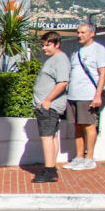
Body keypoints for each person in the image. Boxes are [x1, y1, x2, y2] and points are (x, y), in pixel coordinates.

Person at [64, 21, 105, 171]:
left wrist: (97, 95)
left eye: (83, 32)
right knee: (77, 126)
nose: (80, 35)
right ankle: (79, 157)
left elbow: (103, 74)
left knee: (89, 125)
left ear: (92, 33)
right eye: (78, 32)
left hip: (88, 94)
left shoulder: (99, 50)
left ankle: (89, 158)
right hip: (74, 94)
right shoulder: (76, 52)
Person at [31, 31, 70, 184]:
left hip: (49, 106)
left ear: (57, 44)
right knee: (52, 136)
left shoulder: (60, 60)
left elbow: (63, 82)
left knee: (47, 137)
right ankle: (51, 168)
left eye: (48, 45)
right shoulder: (55, 59)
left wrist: (47, 100)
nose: (44, 48)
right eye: (42, 45)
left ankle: (49, 171)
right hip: (48, 106)